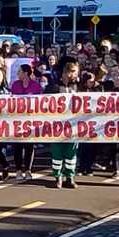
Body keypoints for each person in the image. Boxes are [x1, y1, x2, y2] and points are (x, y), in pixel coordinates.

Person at [45, 60, 80, 189]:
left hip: (74, 125)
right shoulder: (53, 86)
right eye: (74, 72)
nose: (75, 75)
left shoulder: (78, 87)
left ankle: (70, 177)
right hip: (57, 126)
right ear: (67, 73)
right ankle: (57, 176)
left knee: (72, 153)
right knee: (57, 152)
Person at [10, 64, 41, 181]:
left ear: (26, 73)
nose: (18, 74)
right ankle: (18, 170)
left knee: (29, 146)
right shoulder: (15, 85)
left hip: (30, 120)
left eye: (19, 72)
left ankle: (28, 170)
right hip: (17, 120)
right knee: (17, 146)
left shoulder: (36, 86)